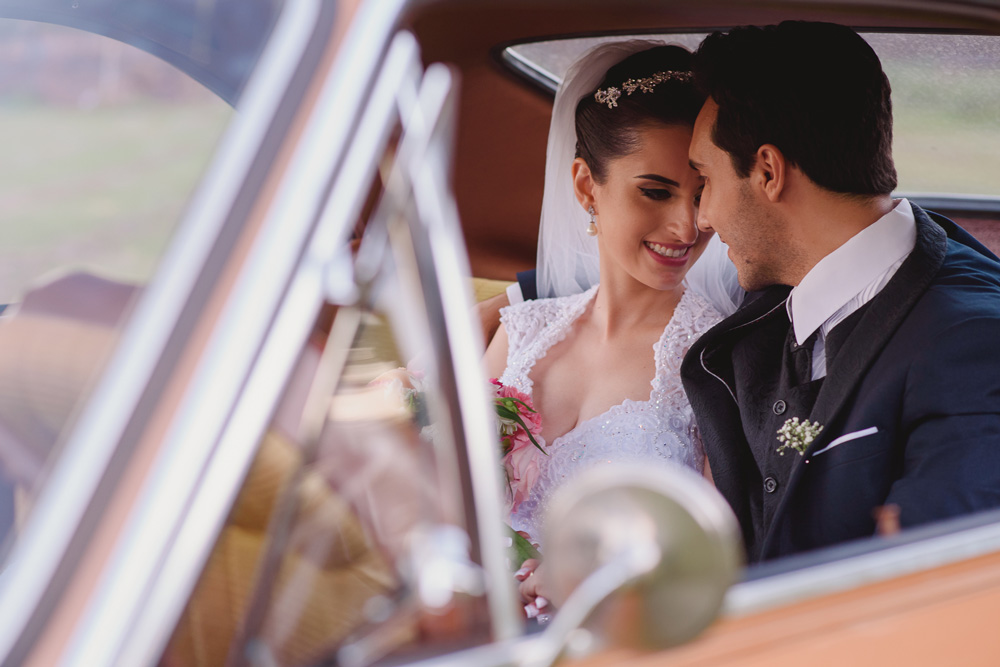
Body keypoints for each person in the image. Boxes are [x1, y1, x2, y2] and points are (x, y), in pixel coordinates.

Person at [681, 21, 1000, 563]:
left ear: (767, 172)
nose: (701, 219)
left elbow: (928, 596)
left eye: (703, 180)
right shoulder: (776, 297)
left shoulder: (974, 346)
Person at [482, 42, 730, 617]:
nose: (688, 225)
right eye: (656, 190)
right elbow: (445, 495)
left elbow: (716, 553)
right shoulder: (520, 333)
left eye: (702, 193)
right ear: (587, 187)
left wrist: (589, 572)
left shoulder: (718, 357)